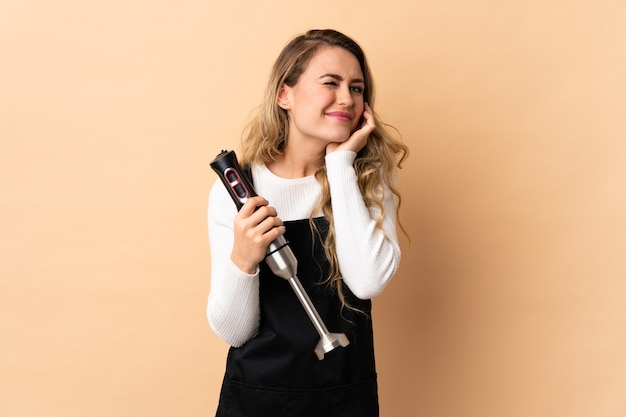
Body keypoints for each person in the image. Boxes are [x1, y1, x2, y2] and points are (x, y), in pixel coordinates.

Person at [207, 29, 408, 417]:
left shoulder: (366, 180)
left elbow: (367, 281)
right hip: (257, 398)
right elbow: (234, 332)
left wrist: (340, 166)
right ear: (285, 94)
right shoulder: (239, 188)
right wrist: (244, 259)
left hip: (345, 396)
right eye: (330, 83)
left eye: (357, 87)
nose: (347, 99)